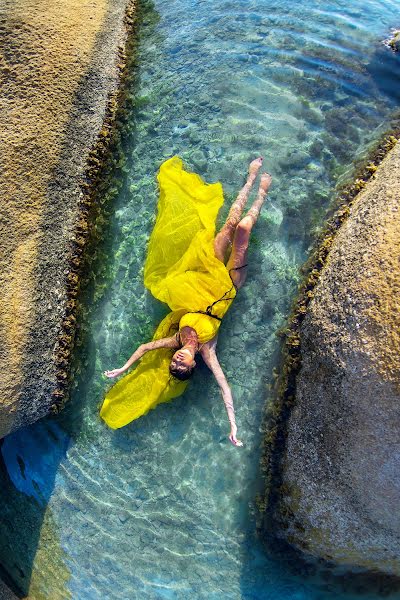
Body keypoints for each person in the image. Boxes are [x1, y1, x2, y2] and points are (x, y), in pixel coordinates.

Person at [102, 156, 272, 447]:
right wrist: (233, 425)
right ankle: (261, 193)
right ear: (193, 365)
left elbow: (144, 348)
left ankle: (249, 178)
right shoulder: (207, 351)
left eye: (174, 365)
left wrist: (121, 369)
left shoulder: (175, 341)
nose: (178, 362)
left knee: (228, 227)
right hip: (226, 288)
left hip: (202, 279)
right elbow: (223, 387)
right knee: (243, 230)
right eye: (183, 368)